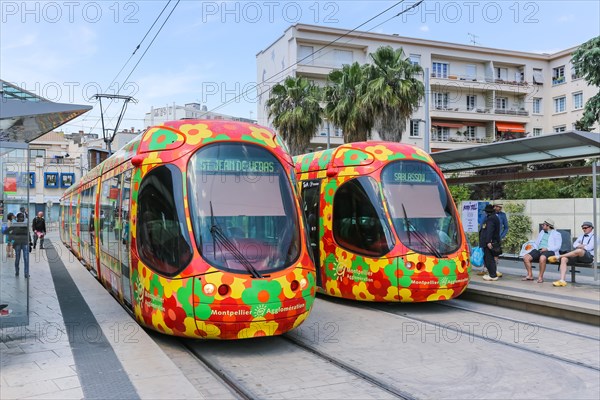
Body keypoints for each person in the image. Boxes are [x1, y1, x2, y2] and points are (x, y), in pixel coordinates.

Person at [551, 222, 595, 287]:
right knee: (564, 259)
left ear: (591, 228)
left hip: (588, 257)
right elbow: (574, 245)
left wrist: (580, 246)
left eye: (585, 228)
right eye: (583, 228)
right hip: (577, 255)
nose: (584, 229)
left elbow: (589, 247)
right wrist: (583, 245)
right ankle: (562, 280)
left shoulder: (595, 237)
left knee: (579, 250)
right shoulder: (581, 236)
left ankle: (559, 256)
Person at [522, 218, 562, 283]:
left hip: (550, 251)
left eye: (543, 224)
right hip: (539, 250)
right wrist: (533, 248)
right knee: (525, 257)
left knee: (542, 258)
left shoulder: (556, 234)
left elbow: (558, 246)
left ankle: (540, 277)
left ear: (548, 226)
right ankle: (530, 275)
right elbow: (537, 242)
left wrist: (547, 249)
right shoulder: (542, 232)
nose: (542, 226)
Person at [479, 204, 501, 281]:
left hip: (489, 242)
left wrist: (488, 241)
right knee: (488, 258)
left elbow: (490, 231)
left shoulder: (491, 219)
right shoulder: (493, 217)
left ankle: (492, 275)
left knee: (489, 258)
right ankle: (492, 273)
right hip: (491, 241)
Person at [8, 212, 31, 278]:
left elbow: (28, 232)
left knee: (26, 258)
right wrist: (10, 240)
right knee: (18, 258)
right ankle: (17, 270)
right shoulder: (15, 224)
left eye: (22, 217)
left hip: (24, 242)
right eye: (20, 217)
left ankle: (26, 273)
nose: (21, 219)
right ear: (17, 218)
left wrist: (30, 241)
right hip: (18, 242)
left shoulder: (24, 224)